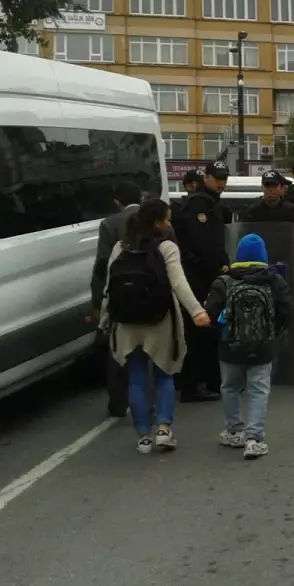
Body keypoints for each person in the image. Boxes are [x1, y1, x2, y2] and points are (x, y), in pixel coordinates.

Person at [101, 199, 211, 453]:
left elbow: (109, 286)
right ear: (157, 222)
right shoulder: (167, 247)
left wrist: (105, 319)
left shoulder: (121, 247)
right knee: (164, 374)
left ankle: (143, 436)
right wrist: (197, 312)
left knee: (137, 379)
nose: (169, 223)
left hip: (127, 323)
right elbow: (179, 284)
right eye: (166, 219)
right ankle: (163, 429)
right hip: (160, 320)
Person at [205, 233, 293, 458]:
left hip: (230, 346)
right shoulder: (274, 280)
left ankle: (235, 431)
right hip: (263, 345)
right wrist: (274, 332)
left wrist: (223, 332)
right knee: (258, 390)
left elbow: (211, 314)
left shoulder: (223, 281)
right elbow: (286, 311)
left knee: (231, 387)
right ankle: (255, 439)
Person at [172, 160, 231, 403]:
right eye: (217, 177)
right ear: (205, 177)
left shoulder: (210, 203)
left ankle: (203, 381)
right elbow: (204, 246)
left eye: (224, 178)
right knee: (199, 331)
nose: (221, 182)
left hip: (203, 277)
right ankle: (193, 384)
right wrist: (220, 269)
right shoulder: (200, 204)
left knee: (204, 331)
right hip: (200, 278)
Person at [91, 181, 145, 417]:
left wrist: (97, 300)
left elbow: (102, 265)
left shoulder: (109, 224)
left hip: (120, 294)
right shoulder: (156, 220)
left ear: (117, 201)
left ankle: (118, 402)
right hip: (152, 293)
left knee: (117, 349)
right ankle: (148, 401)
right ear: (141, 198)